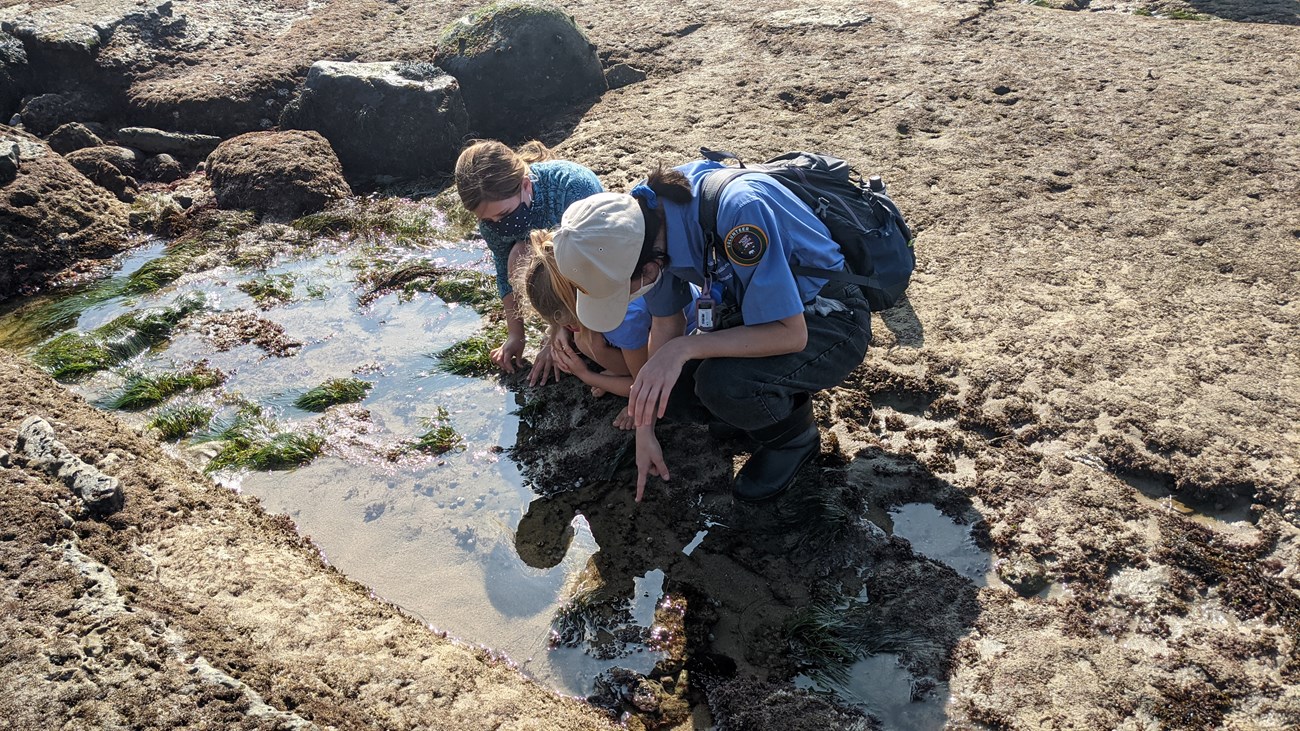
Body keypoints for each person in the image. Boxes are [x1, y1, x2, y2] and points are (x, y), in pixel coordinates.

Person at [549, 160, 871, 503]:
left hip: (829, 314)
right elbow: (665, 322)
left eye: (622, 292)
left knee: (723, 384)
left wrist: (684, 350)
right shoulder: (640, 226)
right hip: (748, 309)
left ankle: (794, 438)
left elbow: (791, 335)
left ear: (648, 267)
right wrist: (645, 428)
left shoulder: (740, 214)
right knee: (663, 387)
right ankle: (748, 413)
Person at [454, 140, 603, 385]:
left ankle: (568, 326)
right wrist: (516, 334)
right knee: (516, 255)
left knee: (590, 344)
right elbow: (504, 271)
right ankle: (563, 323)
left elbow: (594, 260)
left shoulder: (573, 188)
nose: (497, 225)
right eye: (487, 219)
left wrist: (554, 333)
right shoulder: (491, 223)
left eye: (502, 215)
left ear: (525, 185)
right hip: (551, 274)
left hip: (591, 263)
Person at [516, 230, 651, 429]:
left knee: (587, 342)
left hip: (673, 347)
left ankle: (626, 375)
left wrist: (587, 375)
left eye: (569, 323)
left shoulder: (625, 318)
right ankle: (623, 372)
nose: (568, 328)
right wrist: (558, 331)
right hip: (636, 337)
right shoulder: (593, 282)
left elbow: (644, 387)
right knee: (583, 340)